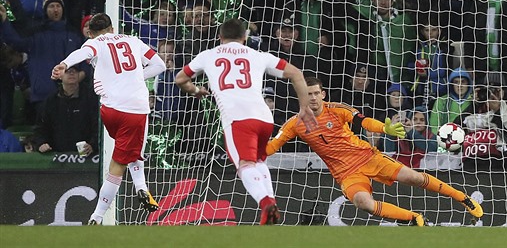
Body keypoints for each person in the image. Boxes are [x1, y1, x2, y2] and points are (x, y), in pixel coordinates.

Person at [267, 77, 483, 225]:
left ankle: (461, 197)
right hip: (346, 173)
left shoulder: (337, 109)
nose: (312, 98)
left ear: (322, 94)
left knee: (414, 178)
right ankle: (414, 219)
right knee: (364, 204)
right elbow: (270, 148)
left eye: (316, 93)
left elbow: (363, 121)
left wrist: (384, 128)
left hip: (367, 157)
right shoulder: (294, 124)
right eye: (308, 94)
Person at [175, 18, 317, 225]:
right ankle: (272, 205)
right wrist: (304, 107)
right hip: (264, 118)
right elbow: (297, 74)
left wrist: (196, 90)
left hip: (237, 119)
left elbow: (180, 78)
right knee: (259, 161)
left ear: (220, 37)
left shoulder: (208, 55)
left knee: (244, 165)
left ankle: (266, 202)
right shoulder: (258, 55)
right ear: (245, 37)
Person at [50, 13, 166, 225]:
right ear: (112, 28)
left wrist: (64, 64)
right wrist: (136, 76)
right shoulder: (133, 41)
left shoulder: (95, 43)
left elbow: (83, 52)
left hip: (109, 109)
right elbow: (160, 66)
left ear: (91, 33)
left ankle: (142, 187)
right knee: (119, 163)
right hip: (134, 109)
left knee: (128, 147)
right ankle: (97, 216)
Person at [34, 65, 98, 155]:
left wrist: (93, 145)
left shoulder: (91, 98)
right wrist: (41, 143)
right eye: (67, 71)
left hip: (86, 157)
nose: (72, 73)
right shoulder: (50, 101)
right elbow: (40, 127)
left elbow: (98, 125)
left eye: (75, 71)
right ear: (59, 76)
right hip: (57, 157)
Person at [429, 67, 474, 134]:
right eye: (456, 82)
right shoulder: (442, 101)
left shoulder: (473, 101)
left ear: (468, 84)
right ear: (451, 85)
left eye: (463, 82)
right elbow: (434, 126)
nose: (460, 85)